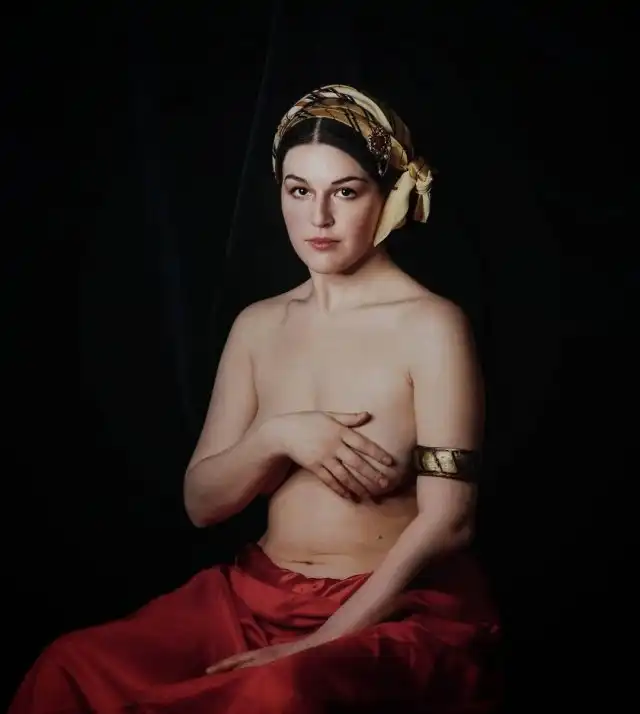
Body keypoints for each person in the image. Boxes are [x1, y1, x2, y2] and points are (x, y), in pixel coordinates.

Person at [9, 85, 502, 713]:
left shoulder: (432, 326)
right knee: (69, 666)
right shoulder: (258, 326)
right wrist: (279, 436)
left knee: (277, 693)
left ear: (391, 196)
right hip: (254, 597)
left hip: (388, 610)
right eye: (299, 190)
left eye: (345, 192)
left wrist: (322, 640)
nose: (318, 218)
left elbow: (450, 520)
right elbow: (201, 504)